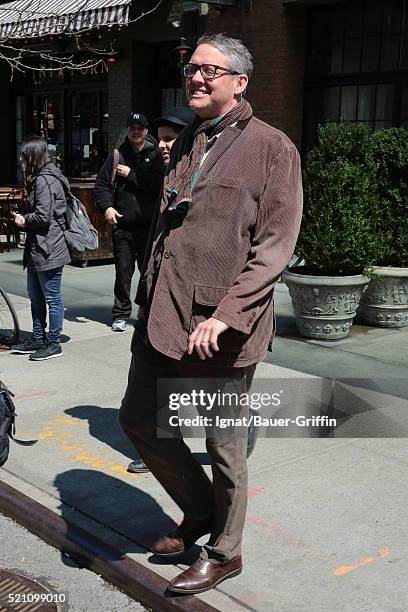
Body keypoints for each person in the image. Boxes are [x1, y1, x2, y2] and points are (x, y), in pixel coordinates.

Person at [119, 34, 303, 594]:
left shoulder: (273, 149)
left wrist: (226, 314)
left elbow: (275, 245)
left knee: (225, 448)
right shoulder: (187, 141)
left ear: (239, 82)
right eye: (191, 68)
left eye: (209, 70)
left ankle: (225, 552)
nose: (195, 78)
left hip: (219, 329)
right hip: (161, 314)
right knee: (138, 420)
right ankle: (198, 511)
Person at [126, 105, 195, 475]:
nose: (164, 145)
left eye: (172, 138)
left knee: (189, 380)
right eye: (162, 138)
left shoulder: (196, 177)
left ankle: (236, 423)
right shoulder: (161, 172)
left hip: (188, 299)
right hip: (154, 294)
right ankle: (160, 446)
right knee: (157, 375)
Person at [95, 113, 164, 332]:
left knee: (148, 272)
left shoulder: (156, 155)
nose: (136, 131)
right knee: (123, 273)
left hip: (148, 225)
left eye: (140, 128)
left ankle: (145, 312)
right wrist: (107, 207)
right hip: (123, 225)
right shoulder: (117, 155)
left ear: (146, 131)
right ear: (127, 130)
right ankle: (120, 314)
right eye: (132, 127)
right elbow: (102, 185)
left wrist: (132, 175)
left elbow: (159, 185)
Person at [11, 135, 71, 361]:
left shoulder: (45, 180)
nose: (20, 158)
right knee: (35, 296)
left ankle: (53, 343)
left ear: (32, 156)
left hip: (49, 247)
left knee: (52, 298)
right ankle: (38, 338)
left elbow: (44, 216)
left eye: (23, 154)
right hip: (40, 247)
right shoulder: (43, 177)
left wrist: (23, 220)